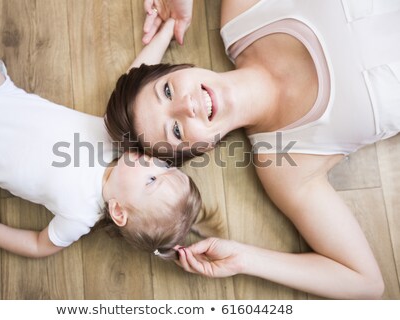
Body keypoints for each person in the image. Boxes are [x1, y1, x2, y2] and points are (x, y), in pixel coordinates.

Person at [105, 0, 400, 298]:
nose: (186, 104)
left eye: (167, 90)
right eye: (177, 130)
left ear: (179, 68)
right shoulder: (284, 164)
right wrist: (246, 259)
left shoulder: (243, 13)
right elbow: (365, 282)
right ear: (201, 148)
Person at [0, 24, 202, 260]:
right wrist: (165, 32)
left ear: (118, 212)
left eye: (151, 180)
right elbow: (135, 86)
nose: (151, 163)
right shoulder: (116, 140)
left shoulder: (79, 216)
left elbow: (40, 245)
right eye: (165, 166)